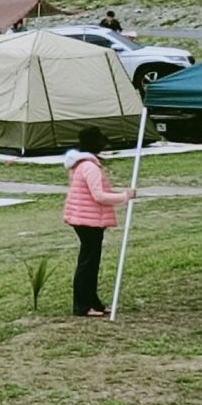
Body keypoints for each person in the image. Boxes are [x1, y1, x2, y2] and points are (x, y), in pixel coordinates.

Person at [62, 127, 137, 317]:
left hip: (83, 218)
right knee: (88, 263)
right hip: (88, 220)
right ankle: (83, 306)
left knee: (90, 262)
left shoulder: (80, 164)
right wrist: (124, 196)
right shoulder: (90, 166)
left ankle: (93, 303)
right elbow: (99, 196)